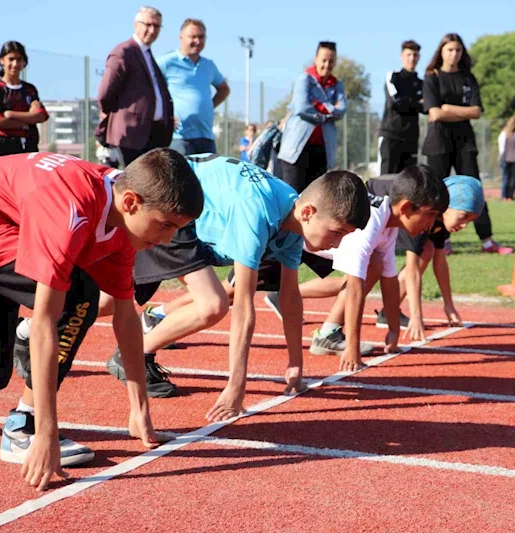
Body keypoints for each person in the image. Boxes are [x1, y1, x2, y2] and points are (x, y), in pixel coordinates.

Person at [0, 149, 203, 492]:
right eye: (166, 225)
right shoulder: (71, 209)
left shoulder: (123, 225)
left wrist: (139, 409)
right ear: (130, 202)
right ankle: (25, 425)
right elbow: (45, 320)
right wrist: (46, 433)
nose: (168, 239)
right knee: (78, 295)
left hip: (5, 219)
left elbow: (126, 317)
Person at [100, 156, 371, 418]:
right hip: (171, 209)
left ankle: (126, 348)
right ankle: (131, 355)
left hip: (189, 217)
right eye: (337, 232)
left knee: (108, 301)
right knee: (213, 304)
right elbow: (243, 305)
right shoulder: (256, 212)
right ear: (309, 212)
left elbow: (289, 297)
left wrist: (295, 363)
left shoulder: (292, 220)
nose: (336, 244)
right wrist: (235, 386)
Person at [292, 166, 449, 369]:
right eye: (431, 214)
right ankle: (295, 304)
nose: (431, 223)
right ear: (406, 208)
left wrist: (393, 330)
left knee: (376, 263)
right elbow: (355, 289)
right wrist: (352, 347)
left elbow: (389, 279)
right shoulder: (371, 222)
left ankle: (327, 334)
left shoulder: (389, 225)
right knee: (238, 290)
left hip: (314, 244)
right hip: (289, 237)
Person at [422, 33, 512, 255]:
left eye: (458, 50)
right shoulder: (431, 77)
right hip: (438, 143)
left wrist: (448, 109)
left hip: (465, 143)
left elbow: (476, 111)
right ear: (441, 51)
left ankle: (488, 241)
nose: (454, 54)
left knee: (475, 190)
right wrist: (458, 112)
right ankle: (441, 241)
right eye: (450, 49)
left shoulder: (468, 79)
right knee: (437, 194)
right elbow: (434, 114)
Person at [371, 175, 484, 341]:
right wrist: (417, 316)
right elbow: (412, 269)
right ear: (448, 205)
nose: (464, 225)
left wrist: (449, 305)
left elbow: (440, 261)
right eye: (463, 216)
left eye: (470, 220)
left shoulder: (440, 218)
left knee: (428, 249)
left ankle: (389, 312)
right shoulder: (420, 213)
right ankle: (332, 328)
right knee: (357, 280)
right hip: (368, 210)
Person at [98, 6, 174, 167]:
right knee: (131, 183)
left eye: (156, 26)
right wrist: (115, 117)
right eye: (147, 24)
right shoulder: (124, 52)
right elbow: (105, 93)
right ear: (136, 25)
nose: (152, 30)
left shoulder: (147, 53)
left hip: (152, 135)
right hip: (130, 135)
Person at [278, 42, 346, 193]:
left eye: (331, 61)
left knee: (316, 200)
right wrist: (329, 110)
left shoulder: (337, 85)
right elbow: (302, 107)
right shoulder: (304, 79)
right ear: (316, 59)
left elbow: (342, 110)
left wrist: (318, 104)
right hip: (296, 152)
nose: (327, 65)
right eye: (323, 60)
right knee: (291, 199)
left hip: (321, 152)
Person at [160, 19, 230, 156]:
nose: (197, 41)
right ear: (181, 37)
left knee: (208, 177)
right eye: (193, 37)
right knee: (182, 177)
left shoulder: (208, 65)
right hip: (179, 138)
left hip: (206, 136)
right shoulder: (167, 62)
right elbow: (150, 90)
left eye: (201, 37)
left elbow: (224, 89)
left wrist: (209, 106)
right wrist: (164, 115)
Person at [0, 41, 48, 160]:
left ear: (24, 62)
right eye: (11, 59)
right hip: (2, 148)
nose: (15, 64)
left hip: (29, 147)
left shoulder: (30, 90)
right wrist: (28, 120)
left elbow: (41, 116)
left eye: (19, 59)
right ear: (2, 60)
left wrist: (9, 114)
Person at [379, 40, 423, 174]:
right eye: (408, 54)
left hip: (411, 138)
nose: (412, 58)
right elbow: (395, 102)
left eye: (415, 55)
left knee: (408, 181)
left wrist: (411, 103)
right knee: (386, 179)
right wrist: (416, 102)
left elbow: (426, 107)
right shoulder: (393, 77)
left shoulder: (421, 83)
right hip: (391, 136)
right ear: (401, 56)